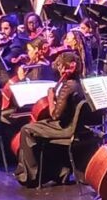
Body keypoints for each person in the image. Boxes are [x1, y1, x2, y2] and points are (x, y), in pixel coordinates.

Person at [14, 51, 86, 187]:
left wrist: (51, 97)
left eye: (61, 67)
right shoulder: (79, 82)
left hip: (66, 128)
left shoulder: (68, 87)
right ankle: (59, 171)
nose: (60, 71)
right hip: (76, 126)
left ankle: (30, 176)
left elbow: (55, 115)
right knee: (40, 125)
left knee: (27, 130)